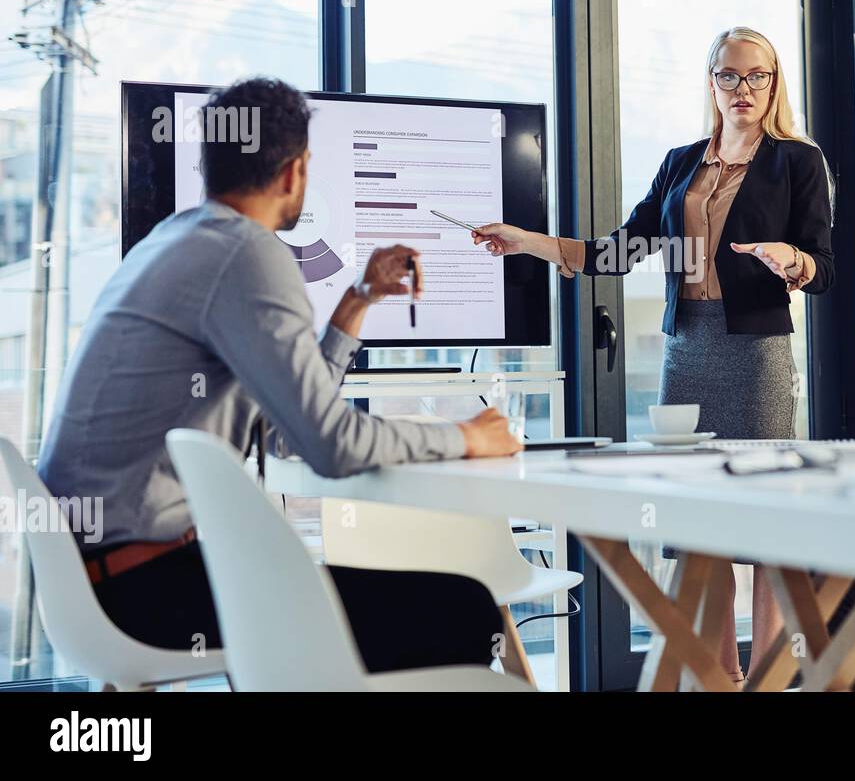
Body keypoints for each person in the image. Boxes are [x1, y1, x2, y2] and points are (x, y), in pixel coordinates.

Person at [38, 77, 520, 674]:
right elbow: (332, 446)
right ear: (295, 172)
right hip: (144, 590)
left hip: (97, 583)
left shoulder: (172, 242)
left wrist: (356, 303)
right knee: (462, 609)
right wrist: (467, 437)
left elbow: (285, 431)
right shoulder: (247, 254)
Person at [471, 26, 835, 685]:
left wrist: (797, 261)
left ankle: (769, 682)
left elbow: (826, 264)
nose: (743, 88)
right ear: (712, 82)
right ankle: (717, 677)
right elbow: (623, 248)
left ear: (775, 83)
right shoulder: (681, 162)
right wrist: (529, 241)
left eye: (757, 75)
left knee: (762, 528)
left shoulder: (797, 161)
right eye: (729, 75)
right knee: (699, 528)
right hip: (686, 346)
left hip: (756, 353)